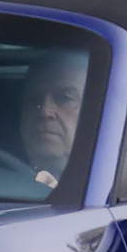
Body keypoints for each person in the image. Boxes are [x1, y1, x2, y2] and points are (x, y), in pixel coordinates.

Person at [17, 49, 92, 187]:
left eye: (64, 98)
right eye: (34, 99)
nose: (44, 111)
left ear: (93, 110)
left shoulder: (108, 185)